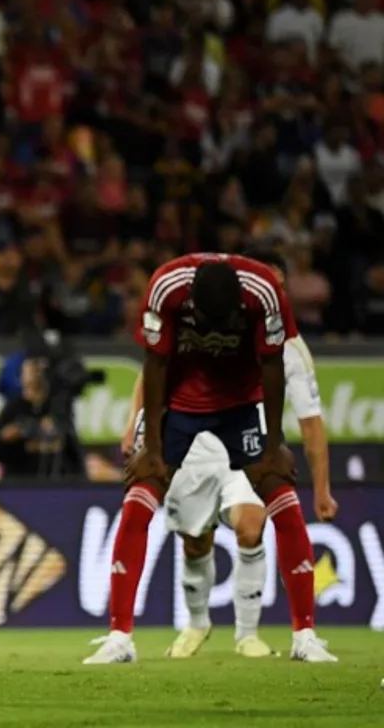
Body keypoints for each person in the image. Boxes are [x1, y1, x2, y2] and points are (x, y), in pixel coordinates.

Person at [84, 253, 335, 665]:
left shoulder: (265, 293)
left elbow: (272, 367)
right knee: (138, 500)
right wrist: (150, 444)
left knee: (282, 497)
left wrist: (272, 446)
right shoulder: (165, 286)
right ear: (191, 303)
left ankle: (305, 635)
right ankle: (119, 638)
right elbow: (155, 362)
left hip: (241, 404)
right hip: (177, 405)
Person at [156, 248, 337, 659]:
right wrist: (139, 424)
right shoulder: (205, 321)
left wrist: (321, 489)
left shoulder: (290, 347)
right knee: (195, 539)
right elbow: (160, 367)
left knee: (251, 524)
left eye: (277, 284)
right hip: (196, 441)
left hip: (248, 437)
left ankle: (247, 633)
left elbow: (311, 423)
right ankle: (197, 623)